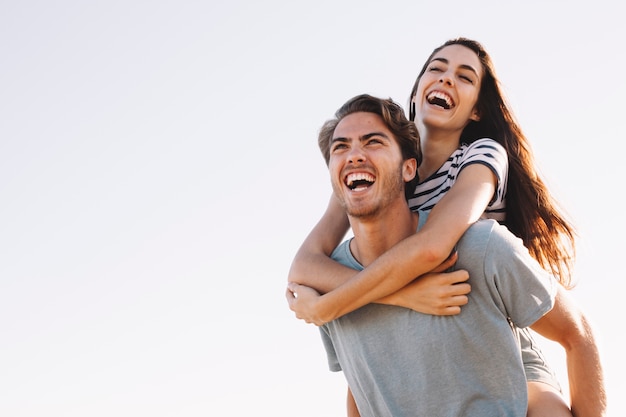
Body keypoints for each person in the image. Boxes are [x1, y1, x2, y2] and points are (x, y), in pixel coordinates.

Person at [287, 38, 580, 415]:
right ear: (417, 89)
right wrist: (404, 296)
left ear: (476, 111)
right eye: (436, 69)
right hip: (419, 327)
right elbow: (305, 265)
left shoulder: (480, 157)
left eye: (464, 77)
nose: (446, 80)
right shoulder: (380, 163)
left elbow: (432, 247)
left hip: (493, 332)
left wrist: (327, 307)